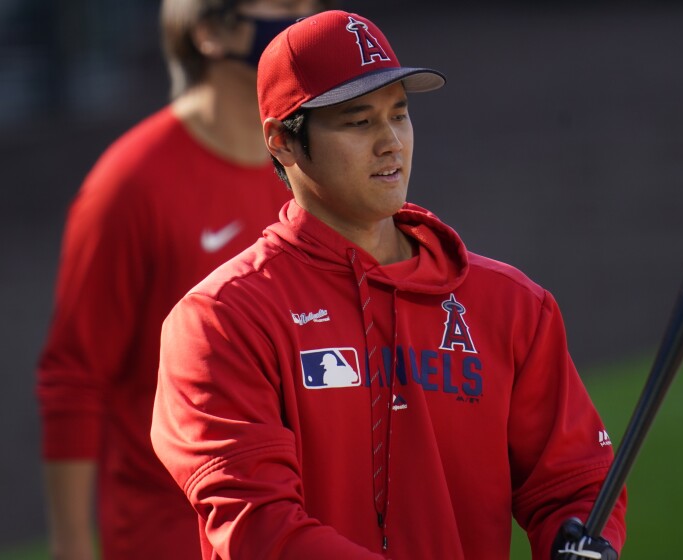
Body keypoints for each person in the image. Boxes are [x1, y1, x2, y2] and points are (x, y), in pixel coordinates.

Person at [151, 9, 627, 560]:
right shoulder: (220, 322)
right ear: (282, 141)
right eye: (358, 122)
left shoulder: (512, 306)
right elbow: (260, 530)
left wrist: (579, 538)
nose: (390, 143)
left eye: (398, 116)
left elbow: (572, 484)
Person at [35, 1, 329, 559]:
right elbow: (74, 376)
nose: (301, 21)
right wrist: (71, 543)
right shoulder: (130, 183)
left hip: (301, 532)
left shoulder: (319, 169)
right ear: (212, 31)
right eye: (282, 6)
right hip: (170, 536)